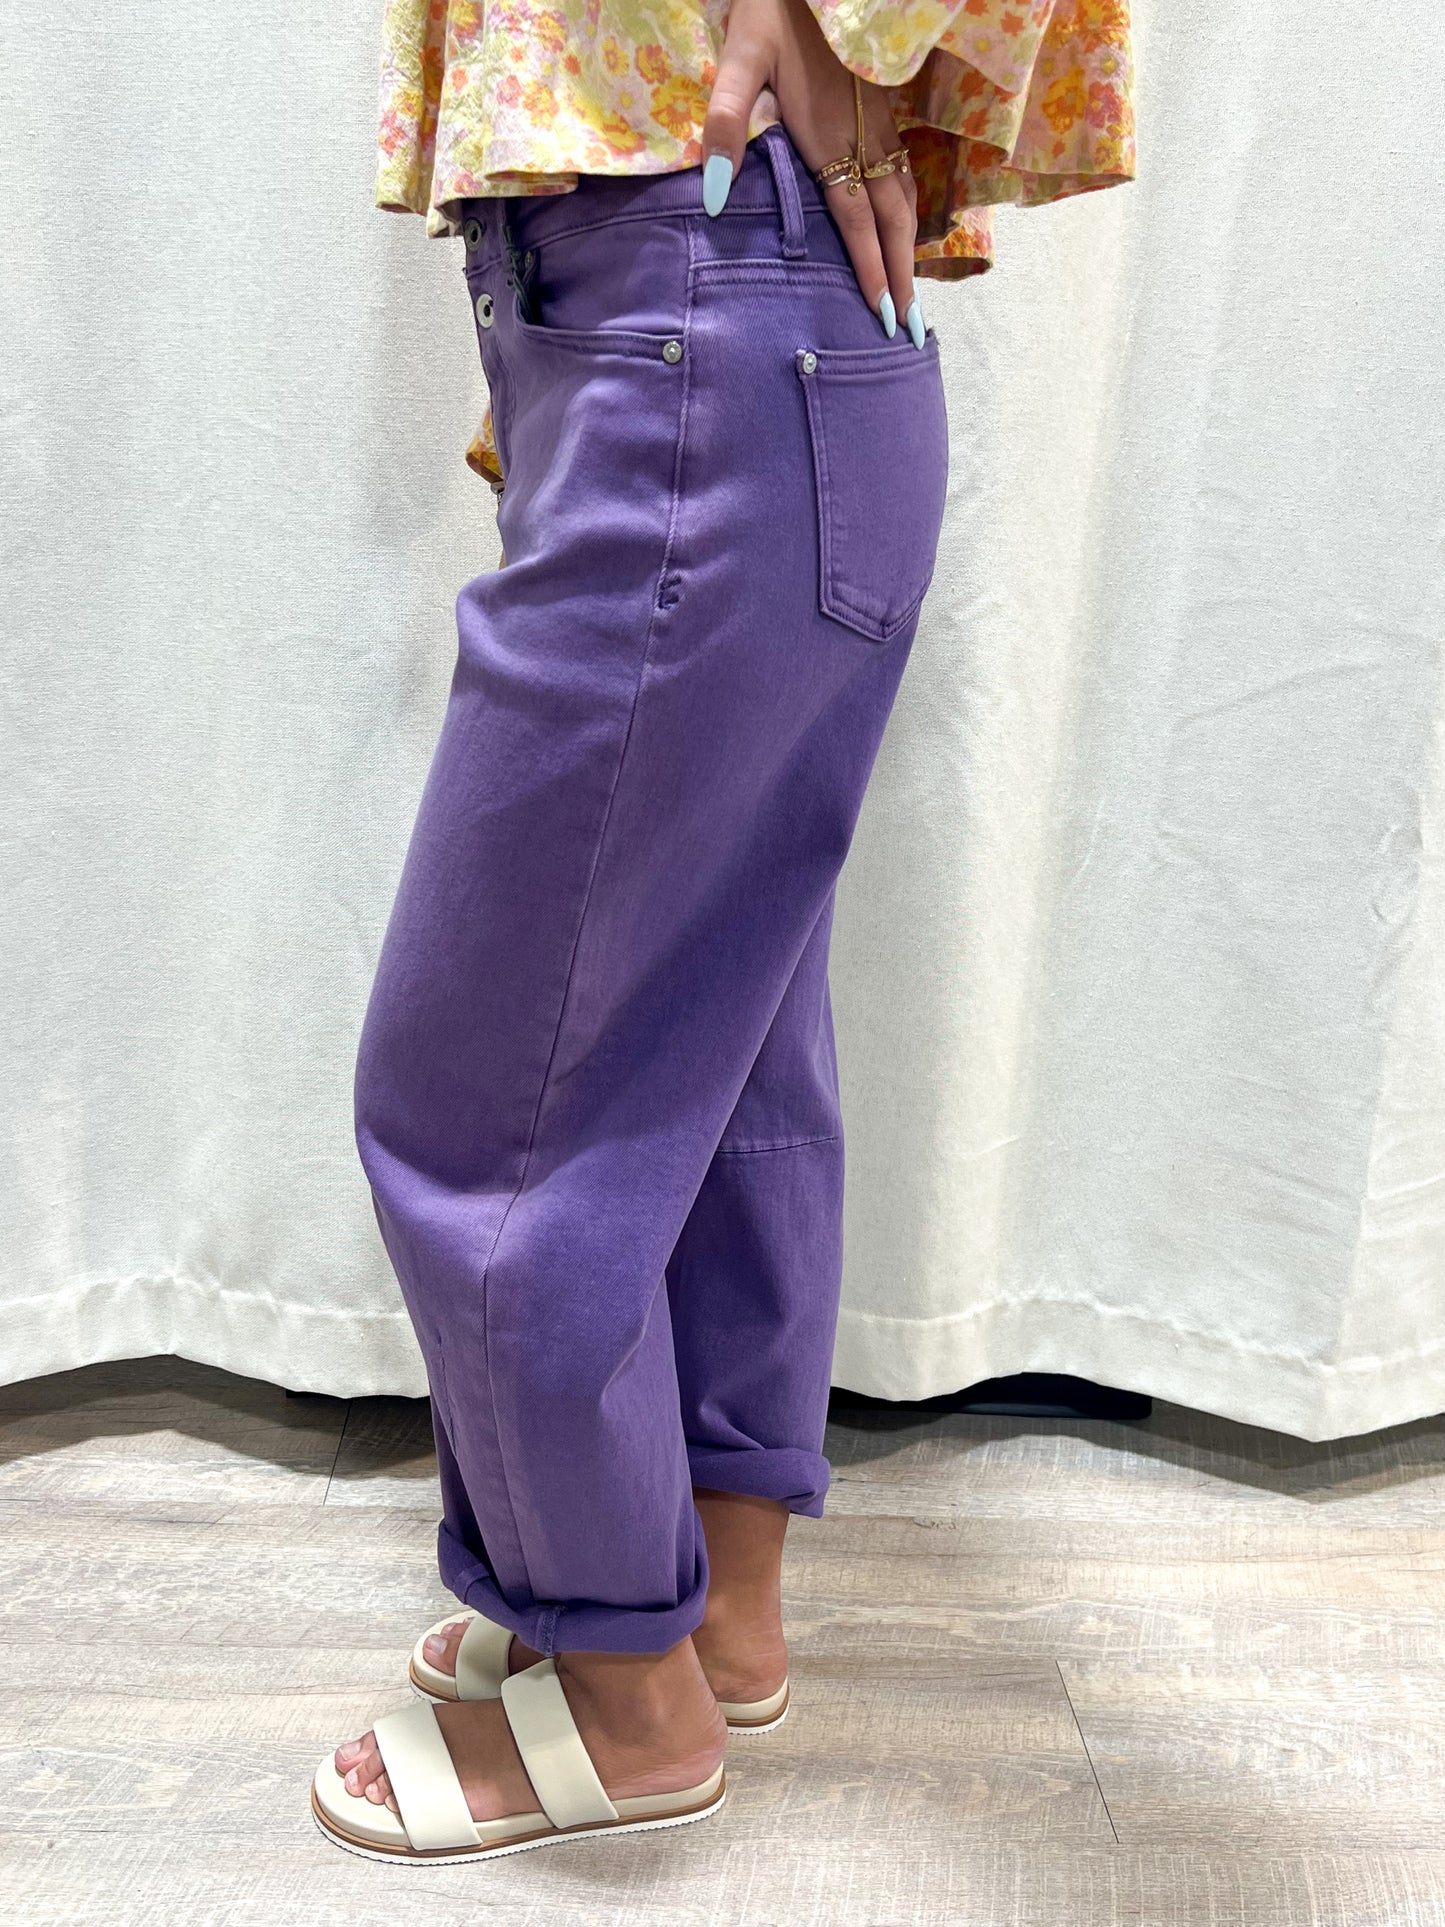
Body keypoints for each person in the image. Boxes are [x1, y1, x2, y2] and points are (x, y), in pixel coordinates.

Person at [311, 0, 1136, 1866]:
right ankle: (715, 1600)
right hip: (710, 296)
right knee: (718, 1024)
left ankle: (625, 1693)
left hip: (695, 285)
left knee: (490, 1095)